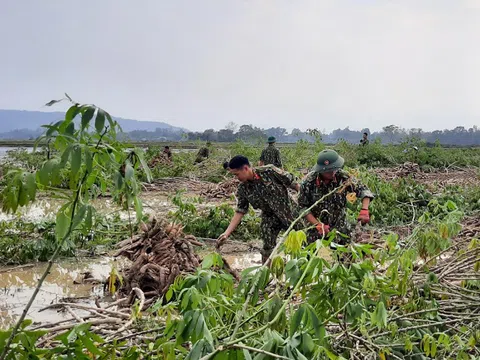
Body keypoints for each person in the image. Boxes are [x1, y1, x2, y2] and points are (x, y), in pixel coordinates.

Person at [217, 155, 301, 263]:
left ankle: (305, 270)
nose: (236, 178)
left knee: (300, 242)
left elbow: (293, 183)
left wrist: (305, 204)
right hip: (269, 217)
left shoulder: (269, 171)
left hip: (289, 212)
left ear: (246, 168)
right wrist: (226, 233)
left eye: (237, 174)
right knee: (267, 248)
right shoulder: (243, 189)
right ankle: (266, 275)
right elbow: (240, 211)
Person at [298, 149, 374, 244]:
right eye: (328, 171)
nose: (332, 172)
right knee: (314, 255)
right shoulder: (308, 183)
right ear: (320, 170)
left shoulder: (343, 177)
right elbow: (302, 207)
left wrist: (364, 210)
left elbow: (364, 190)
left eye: (334, 169)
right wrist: (318, 225)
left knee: (343, 256)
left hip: (340, 229)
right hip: (316, 231)